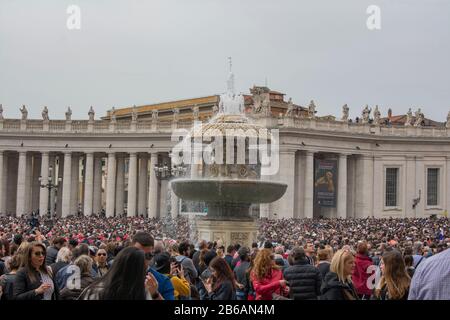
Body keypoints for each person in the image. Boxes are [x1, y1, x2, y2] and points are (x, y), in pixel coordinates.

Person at [79, 247, 159, 300]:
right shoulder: (142, 293)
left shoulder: (93, 290)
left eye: (104, 254)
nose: (102, 256)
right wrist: (155, 294)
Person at [132, 231, 174, 300]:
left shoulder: (163, 281)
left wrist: (155, 294)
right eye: (138, 255)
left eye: (148, 255)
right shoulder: (119, 276)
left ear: (152, 255)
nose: (142, 260)